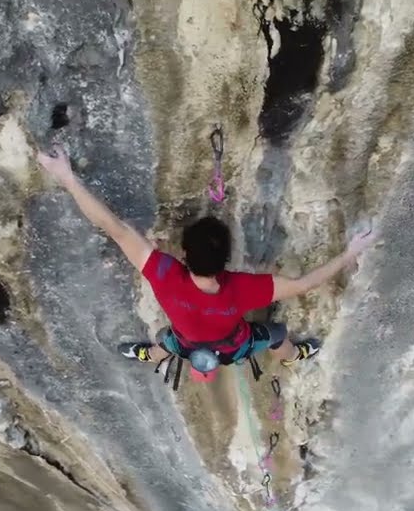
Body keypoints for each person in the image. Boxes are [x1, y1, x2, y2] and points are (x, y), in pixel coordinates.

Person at [34, 143, 379, 379]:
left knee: (164, 343)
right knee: (276, 333)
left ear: (183, 254)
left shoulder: (164, 274)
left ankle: (144, 355)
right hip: (234, 347)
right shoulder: (242, 288)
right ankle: (292, 356)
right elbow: (306, 284)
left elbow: (114, 227)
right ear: (227, 259)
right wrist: (351, 252)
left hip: (186, 344)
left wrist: (66, 177)